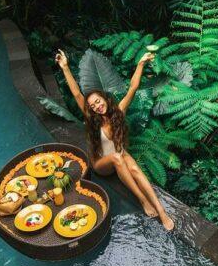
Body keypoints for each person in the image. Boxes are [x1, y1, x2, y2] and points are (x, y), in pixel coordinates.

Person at [55, 49, 175, 231]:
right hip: (101, 163)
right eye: (93, 105)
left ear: (104, 98)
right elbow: (78, 94)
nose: (97, 106)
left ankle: (161, 210)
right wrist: (65, 67)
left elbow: (133, 88)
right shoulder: (92, 118)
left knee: (135, 168)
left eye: (98, 101)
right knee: (118, 157)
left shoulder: (118, 111)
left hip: (118, 154)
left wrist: (141, 63)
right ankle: (143, 200)